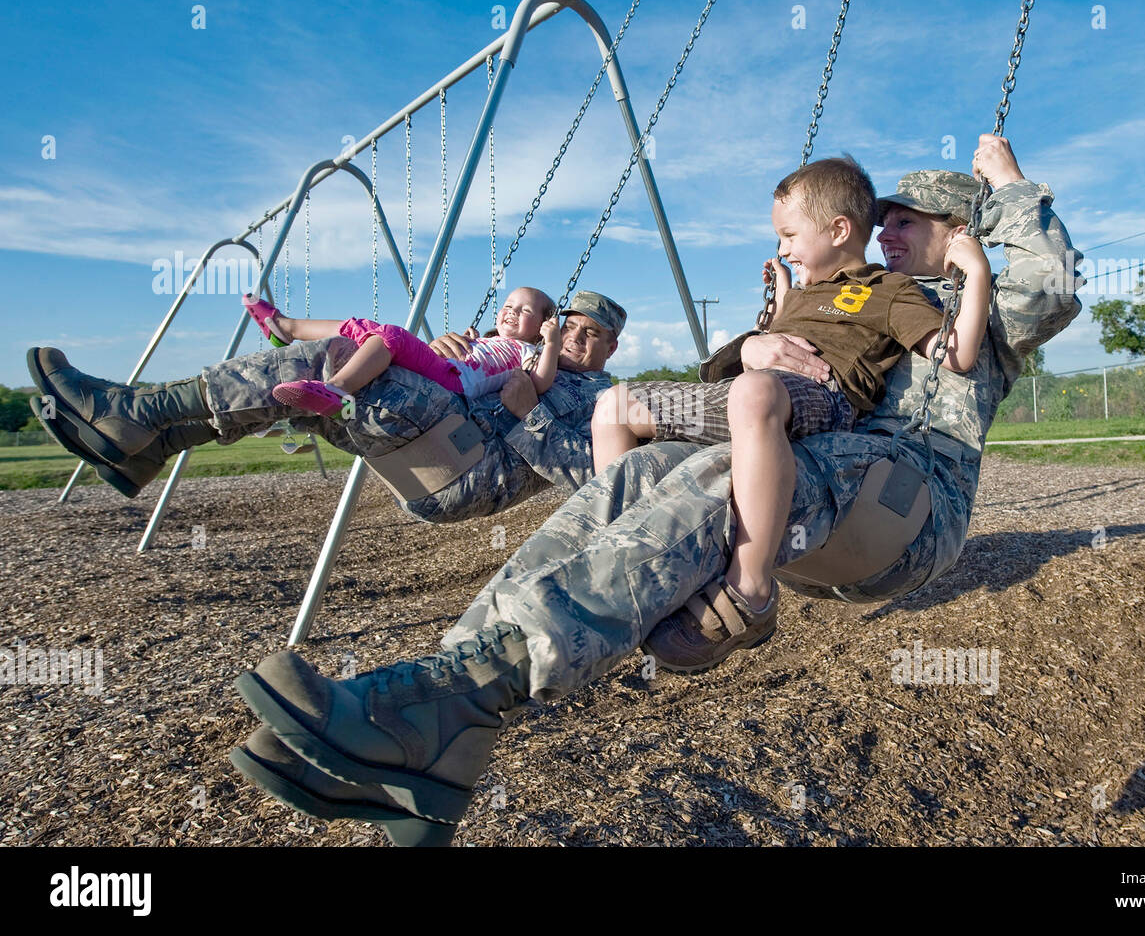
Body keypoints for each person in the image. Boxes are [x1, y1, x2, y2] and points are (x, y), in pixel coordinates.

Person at [224, 133, 1087, 846]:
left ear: (961, 229)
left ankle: (451, 704)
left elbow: (1051, 285)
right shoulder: (856, 290)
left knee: (717, 469)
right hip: (822, 477)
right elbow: (776, 356)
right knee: (642, 465)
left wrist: (1007, 184)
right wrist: (754, 347)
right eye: (881, 220)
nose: (887, 233)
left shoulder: (983, 303)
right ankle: (446, 707)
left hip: (908, 505)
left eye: (909, 222)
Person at [591, 157, 991, 669]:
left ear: (838, 230)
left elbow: (955, 354)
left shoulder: (889, 291)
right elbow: (757, 349)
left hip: (822, 401)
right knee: (613, 406)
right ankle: (633, 566)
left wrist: (975, 272)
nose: (782, 246)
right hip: (751, 396)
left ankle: (751, 587)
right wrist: (776, 308)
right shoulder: (802, 293)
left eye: (789, 234)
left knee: (754, 393)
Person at [28, 290, 626, 524]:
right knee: (314, 395)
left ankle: (136, 416)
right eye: (568, 325)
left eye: (591, 333)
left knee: (338, 356)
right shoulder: (520, 355)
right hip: (436, 440)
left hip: (464, 464)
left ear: (612, 347)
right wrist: (450, 349)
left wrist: (530, 416)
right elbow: (480, 374)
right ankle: (154, 441)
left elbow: (600, 478)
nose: (575, 336)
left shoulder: (606, 396)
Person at [241, 286, 562, 415]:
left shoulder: (526, 351)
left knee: (392, 336)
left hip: (452, 383)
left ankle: (336, 390)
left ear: (542, 324)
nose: (512, 311)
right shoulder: (490, 341)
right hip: (444, 370)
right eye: (509, 305)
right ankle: (287, 327)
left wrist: (552, 342)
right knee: (364, 328)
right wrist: (474, 342)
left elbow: (540, 382)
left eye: (525, 311)